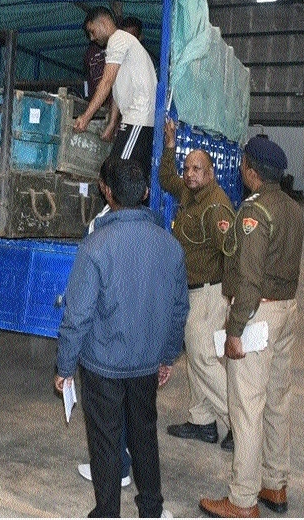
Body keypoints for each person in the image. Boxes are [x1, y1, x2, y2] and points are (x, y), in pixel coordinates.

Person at [56, 156, 188, 518]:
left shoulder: (96, 246)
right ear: (147, 192)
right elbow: (179, 311)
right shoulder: (170, 245)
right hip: (146, 363)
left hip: (103, 366)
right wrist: (167, 356)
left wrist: (65, 365)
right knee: (144, 433)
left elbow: (78, 314)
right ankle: (152, 507)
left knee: (105, 440)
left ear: (107, 192)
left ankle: (108, 511)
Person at [199, 137, 303, 519]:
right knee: (276, 401)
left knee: (246, 408)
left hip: (257, 316)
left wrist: (235, 330)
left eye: (243, 164)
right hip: (287, 311)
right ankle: (274, 485)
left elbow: (249, 277)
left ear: (252, 171)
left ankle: (242, 500)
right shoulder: (293, 207)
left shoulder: (253, 212)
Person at [159, 118, 235, 452]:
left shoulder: (215, 205)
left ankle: (238, 420)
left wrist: (235, 300)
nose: (190, 174)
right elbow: (166, 179)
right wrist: (170, 146)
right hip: (192, 291)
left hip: (208, 293)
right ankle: (203, 422)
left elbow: (233, 251)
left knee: (204, 360)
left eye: (197, 169)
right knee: (197, 357)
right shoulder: (191, 194)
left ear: (210, 173)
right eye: (188, 168)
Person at [74, 7, 157, 174]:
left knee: (115, 173)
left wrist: (86, 117)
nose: (92, 38)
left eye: (92, 31)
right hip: (135, 119)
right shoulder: (122, 42)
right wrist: (112, 124)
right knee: (129, 175)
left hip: (138, 118)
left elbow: (106, 82)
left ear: (103, 23)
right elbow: (116, 88)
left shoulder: (117, 40)